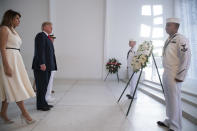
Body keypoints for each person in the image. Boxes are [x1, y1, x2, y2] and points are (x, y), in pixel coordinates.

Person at [0, 9, 36, 124]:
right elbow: (2, 48)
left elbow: (16, 49)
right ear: (10, 18)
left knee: (8, 88)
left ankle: (2, 113)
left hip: (16, 59)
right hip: (9, 60)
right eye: (17, 18)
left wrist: (21, 66)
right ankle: (25, 114)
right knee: (16, 87)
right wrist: (6, 66)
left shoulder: (13, 31)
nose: (19, 21)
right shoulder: (4, 29)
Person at [157, 18, 191, 131]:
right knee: (169, 99)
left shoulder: (181, 39)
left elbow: (186, 58)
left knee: (174, 100)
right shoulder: (169, 39)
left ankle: (176, 127)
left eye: (168, 25)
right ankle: (169, 121)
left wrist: (181, 76)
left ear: (176, 27)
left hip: (174, 73)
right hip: (166, 72)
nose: (166, 27)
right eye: (166, 25)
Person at [32, 22, 57, 111]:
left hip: (48, 66)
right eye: (50, 26)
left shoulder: (47, 37)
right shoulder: (40, 35)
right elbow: (40, 51)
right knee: (41, 86)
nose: (51, 28)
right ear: (44, 27)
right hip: (42, 66)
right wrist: (42, 63)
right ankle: (41, 105)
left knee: (44, 86)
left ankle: (42, 104)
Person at [45, 34, 57, 103]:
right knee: (48, 82)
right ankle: (47, 97)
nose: (53, 40)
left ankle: (48, 96)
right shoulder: (47, 46)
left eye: (53, 38)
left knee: (50, 82)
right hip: (48, 67)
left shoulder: (51, 45)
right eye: (52, 38)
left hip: (52, 66)